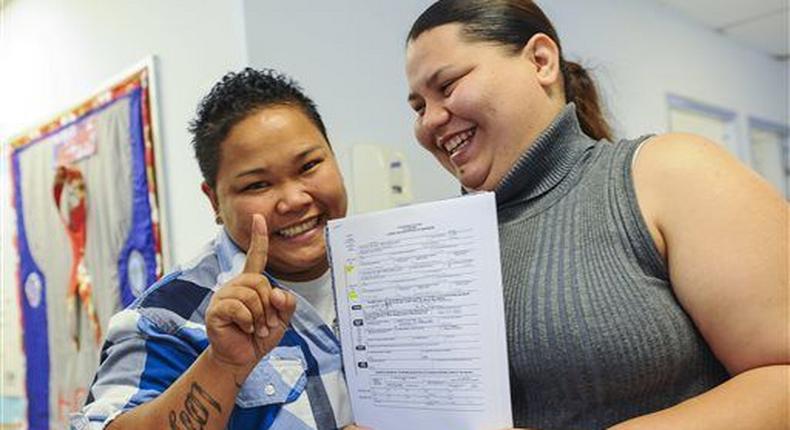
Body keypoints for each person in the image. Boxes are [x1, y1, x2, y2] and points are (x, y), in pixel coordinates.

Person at [404, 1, 788, 429]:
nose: (431, 121)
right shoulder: (447, 243)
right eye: (418, 107)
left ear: (540, 61)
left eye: (449, 85)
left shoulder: (670, 172)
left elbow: (781, 374)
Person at [73, 68, 358, 429]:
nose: (294, 199)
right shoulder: (169, 318)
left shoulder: (394, 270)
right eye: (257, 185)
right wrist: (223, 364)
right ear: (215, 203)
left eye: (310, 165)